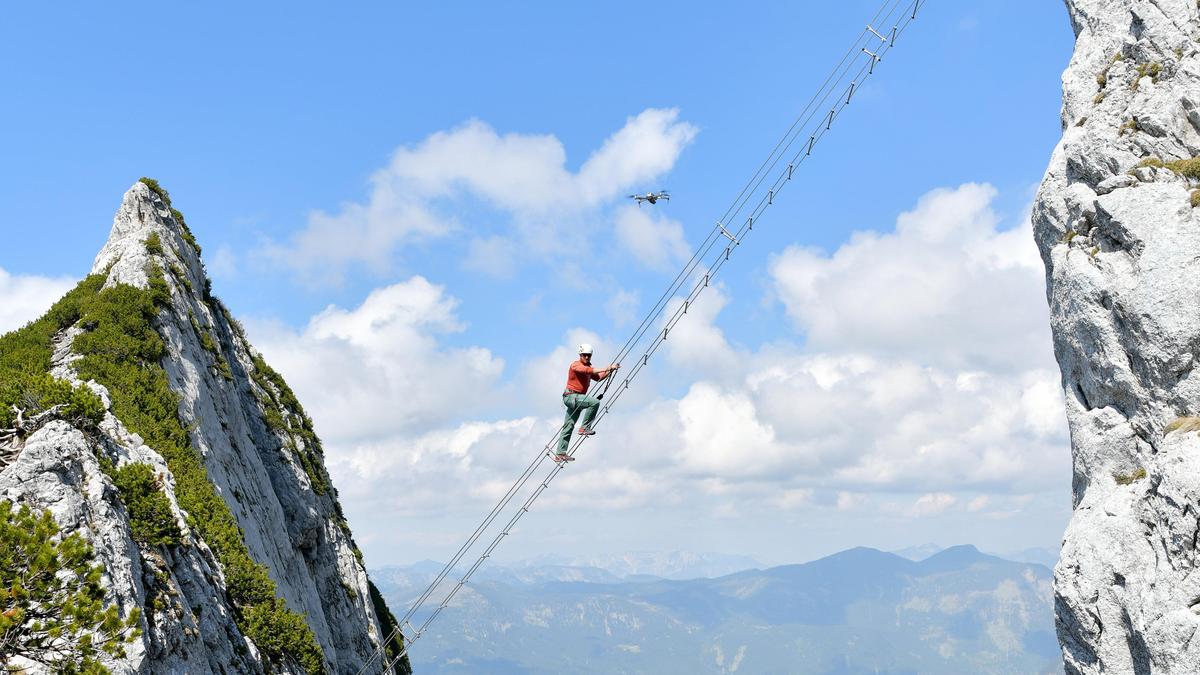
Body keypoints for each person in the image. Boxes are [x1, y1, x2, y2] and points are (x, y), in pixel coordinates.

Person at [554, 344, 619, 462]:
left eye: (589, 355)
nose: (587, 357)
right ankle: (584, 428)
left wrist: (611, 370)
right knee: (594, 402)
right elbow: (588, 370)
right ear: (580, 355)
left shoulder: (588, 367)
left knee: (568, 426)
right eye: (585, 355)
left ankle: (560, 453)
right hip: (571, 396)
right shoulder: (576, 365)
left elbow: (599, 377)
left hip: (578, 398)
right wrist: (607, 367)